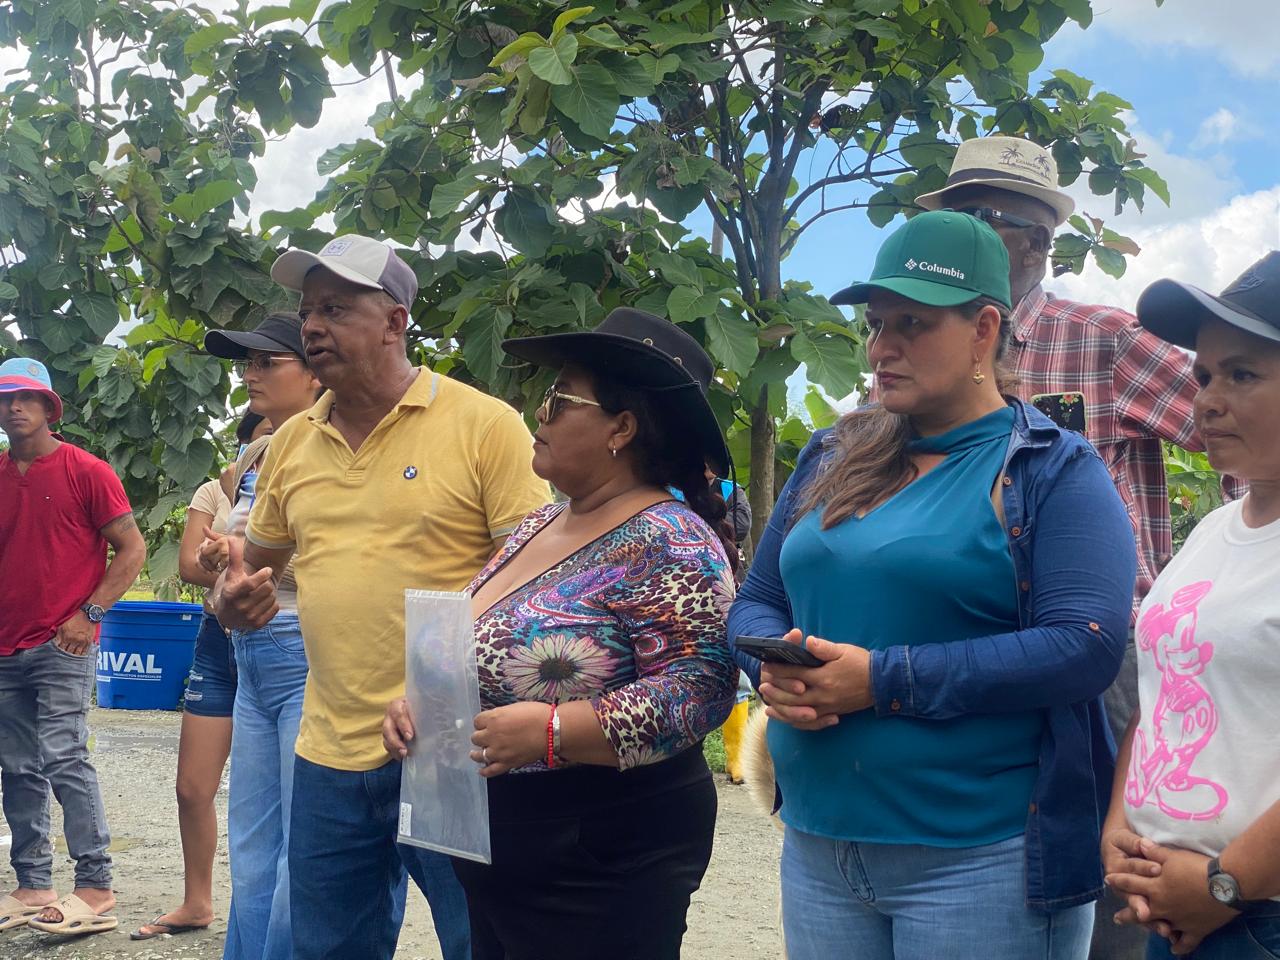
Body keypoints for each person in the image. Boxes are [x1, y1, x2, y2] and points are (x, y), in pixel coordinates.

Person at [728, 211, 1137, 959]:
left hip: (981, 864)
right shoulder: (832, 453)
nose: (881, 347)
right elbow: (756, 599)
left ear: (984, 329)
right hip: (819, 850)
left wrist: (883, 681)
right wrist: (774, 669)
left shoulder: (1051, 468)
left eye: (911, 324)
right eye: (876, 324)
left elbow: (1085, 645)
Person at [916, 140, 1244, 958]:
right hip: (966, 646)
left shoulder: (1100, 340)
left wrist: (1247, 563)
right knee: (983, 863)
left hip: (1095, 651)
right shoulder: (918, 351)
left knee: (1108, 883)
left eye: (986, 218)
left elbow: (1246, 433)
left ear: (1038, 242)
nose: (965, 235)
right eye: (956, 216)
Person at [213, 235, 549, 960]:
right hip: (328, 752)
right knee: (327, 948)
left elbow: (537, 579)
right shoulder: (292, 443)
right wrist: (230, 601)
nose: (312, 327)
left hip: (451, 746)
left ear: (395, 321)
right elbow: (253, 569)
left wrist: (442, 688)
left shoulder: (483, 424)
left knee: (482, 942)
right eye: (309, 311)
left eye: (336, 309)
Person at [382, 307, 739, 960]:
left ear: (621, 428)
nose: (539, 414)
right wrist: (424, 706)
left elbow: (701, 688)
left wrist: (554, 730)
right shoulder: (541, 524)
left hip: (600, 853)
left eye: (560, 399)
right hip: (507, 844)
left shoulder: (670, 540)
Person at [1100, 252, 1280, 959]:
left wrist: (1225, 884)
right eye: (1204, 376)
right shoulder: (1214, 530)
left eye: (1243, 374)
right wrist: (1120, 825)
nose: (1207, 400)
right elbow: (1162, 696)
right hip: (1177, 904)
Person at [0, 357, 146, 936]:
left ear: (48, 407)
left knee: (64, 756)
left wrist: (90, 614)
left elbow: (132, 549)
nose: (13, 407)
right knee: (16, 767)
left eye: (25, 398)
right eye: (4, 398)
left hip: (64, 643)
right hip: (5, 645)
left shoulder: (87, 470)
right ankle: (33, 885)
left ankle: (95, 887)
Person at [199, 313, 321, 960]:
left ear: (314, 373)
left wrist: (239, 556)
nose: (250, 373)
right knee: (252, 845)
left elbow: (317, 556)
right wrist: (224, 556)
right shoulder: (255, 453)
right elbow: (236, 547)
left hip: (299, 639)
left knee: (300, 846)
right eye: (247, 362)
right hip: (249, 648)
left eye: (267, 361)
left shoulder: (328, 446)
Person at [130, 411, 270, 942]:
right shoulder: (215, 490)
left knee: (275, 797)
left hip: (277, 638)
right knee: (192, 787)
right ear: (244, 446)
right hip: (218, 640)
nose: (273, 446)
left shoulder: (308, 479)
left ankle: (272, 918)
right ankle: (197, 902)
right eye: (262, 439)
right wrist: (226, 540)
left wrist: (230, 550)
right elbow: (189, 564)